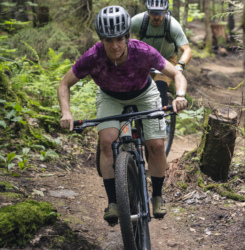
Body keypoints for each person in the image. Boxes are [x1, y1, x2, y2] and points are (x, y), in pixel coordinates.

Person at [57, 5, 188, 225]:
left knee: (155, 144)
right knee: (107, 141)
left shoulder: (143, 51)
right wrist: (66, 112)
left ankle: (157, 195)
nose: (115, 45)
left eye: (119, 39)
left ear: (127, 36)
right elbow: (64, 84)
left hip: (144, 93)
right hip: (111, 97)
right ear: (101, 39)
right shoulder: (93, 56)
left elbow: (176, 73)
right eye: (109, 40)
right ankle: (113, 203)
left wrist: (180, 94)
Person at [130, 0, 192, 107]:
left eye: (160, 13)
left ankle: (162, 121)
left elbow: (187, 50)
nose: (157, 17)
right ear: (148, 11)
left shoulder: (172, 25)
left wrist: (180, 66)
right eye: (153, 13)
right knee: (138, 88)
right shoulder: (138, 20)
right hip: (145, 60)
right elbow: (122, 37)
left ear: (165, 11)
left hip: (167, 59)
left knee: (160, 87)